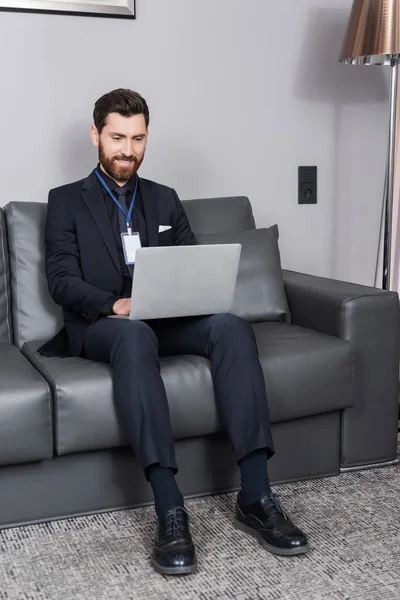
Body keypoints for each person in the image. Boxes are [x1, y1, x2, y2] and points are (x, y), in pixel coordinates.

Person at [39, 88, 310, 576]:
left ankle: (256, 494)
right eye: (117, 137)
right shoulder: (65, 202)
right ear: (95, 134)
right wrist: (115, 304)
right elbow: (60, 280)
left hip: (167, 319)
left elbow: (191, 265)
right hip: (105, 326)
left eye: (137, 138)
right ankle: (169, 507)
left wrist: (188, 297)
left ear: (147, 137)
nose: (127, 149)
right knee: (134, 334)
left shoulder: (164, 198)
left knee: (230, 327)